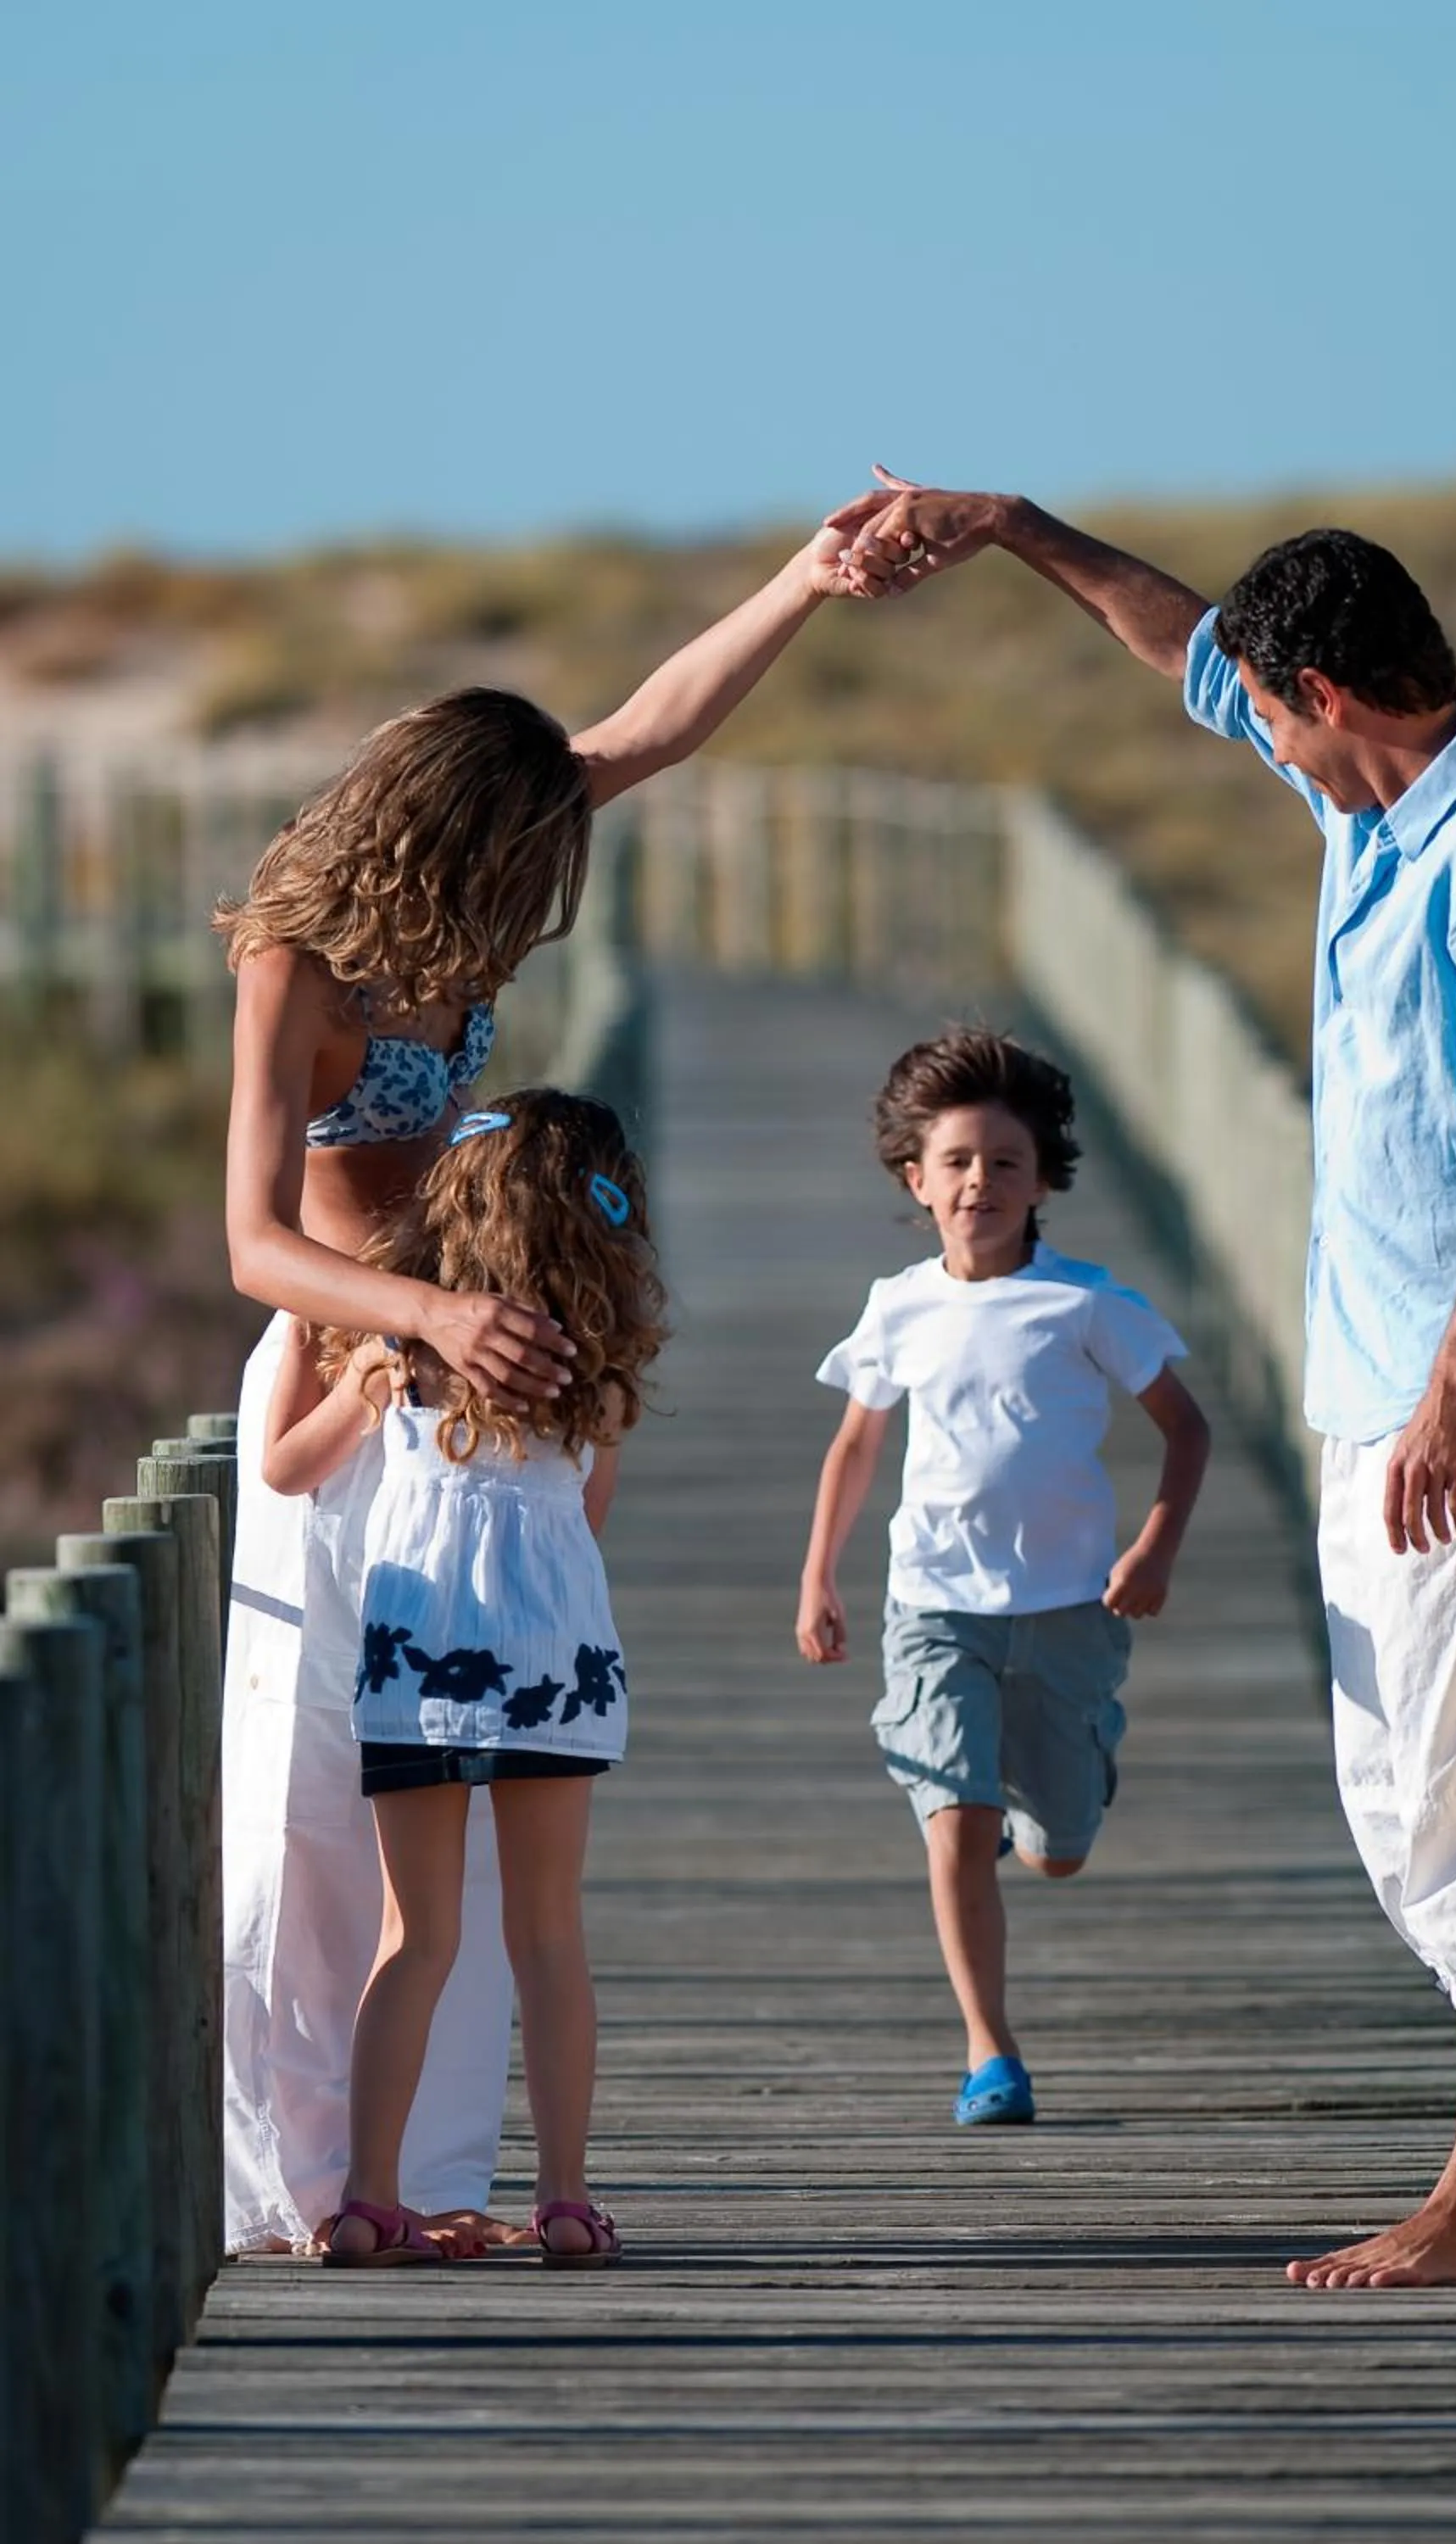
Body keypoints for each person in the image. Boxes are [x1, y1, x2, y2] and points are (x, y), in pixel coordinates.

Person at [834, 472, 1456, 2285]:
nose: (1249, 729)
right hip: (1392, 1390)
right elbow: (1185, 648)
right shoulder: (1380, 805)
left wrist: (1446, 1397)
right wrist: (1017, 526)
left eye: (1269, 710)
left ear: (1330, 696)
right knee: (1406, 1781)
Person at [218, 519, 874, 2254]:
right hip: (349, 1369)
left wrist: (804, 584)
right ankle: (303, 2190)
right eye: (518, 859)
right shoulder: (293, 966)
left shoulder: (476, 905)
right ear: (443, 837)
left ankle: (429, 2189)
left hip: (471, 1383)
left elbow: (649, 728)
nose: (541, 894)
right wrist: (416, 1314)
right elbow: (253, 1247)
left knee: (453, 1835)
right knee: (313, 1831)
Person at [258, 1088, 662, 2266]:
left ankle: (371, 2194)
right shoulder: (595, 1374)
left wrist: (307, 1335)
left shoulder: (393, 1357)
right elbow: (588, 1515)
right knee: (547, 1936)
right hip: (553, 1665)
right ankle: (568, 2199)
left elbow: (284, 1473)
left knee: (415, 1937)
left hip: (420, 1658)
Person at [795, 1027, 1210, 2124]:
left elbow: (1186, 1429)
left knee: (1054, 1852)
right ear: (916, 1180)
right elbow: (855, 1446)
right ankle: (990, 2052)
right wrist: (819, 1579)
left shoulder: (1084, 1303)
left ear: (1041, 1182)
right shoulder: (897, 1306)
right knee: (954, 1819)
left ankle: (1066, 1796)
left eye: (1005, 1164)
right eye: (958, 1163)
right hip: (934, 1607)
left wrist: (1153, 1546)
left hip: (1069, 1609)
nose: (981, 1181)